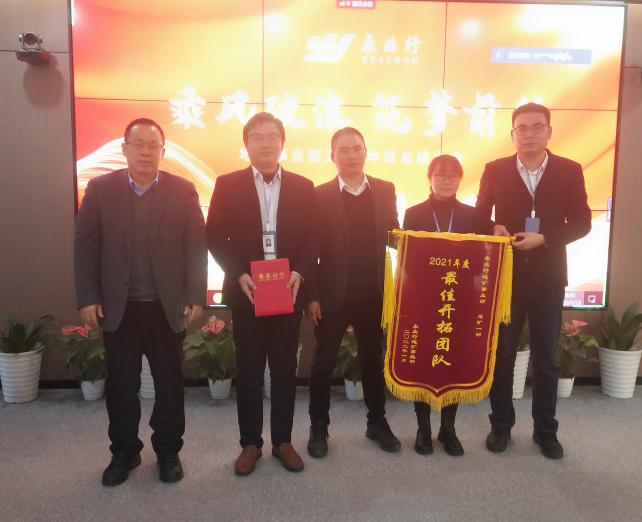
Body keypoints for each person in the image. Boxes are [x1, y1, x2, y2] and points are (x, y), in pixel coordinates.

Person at [74, 118, 207, 486]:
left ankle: (168, 451)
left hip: (166, 307)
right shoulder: (100, 189)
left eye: (153, 146)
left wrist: (196, 294)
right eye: (139, 145)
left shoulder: (183, 190)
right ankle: (125, 451)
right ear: (125, 149)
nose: (146, 152)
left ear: (163, 151)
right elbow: (85, 246)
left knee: (169, 385)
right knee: (121, 385)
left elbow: (196, 245)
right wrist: (88, 296)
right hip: (120, 308)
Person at [476, 103, 591, 459]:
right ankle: (500, 426)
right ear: (512, 134)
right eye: (521, 129)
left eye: (536, 127)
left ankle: (545, 431)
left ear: (549, 132)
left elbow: (583, 221)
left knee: (546, 359)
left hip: (548, 278)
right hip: (506, 278)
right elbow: (478, 215)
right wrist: (492, 227)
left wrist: (546, 238)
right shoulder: (495, 169)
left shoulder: (570, 170)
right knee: (503, 356)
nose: (529, 134)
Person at [206, 112, 316, 476]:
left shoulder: (303, 186)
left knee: (284, 368)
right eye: (257, 137)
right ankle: (250, 443)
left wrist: (299, 271)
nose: (265, 143)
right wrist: (237, 273)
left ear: (283, 143)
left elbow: (313, 237)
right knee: (250, 368)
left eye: (272, 136)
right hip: (248, 291)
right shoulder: (227, 184)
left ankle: (283, 441)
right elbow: (214, 235)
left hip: (287, 290)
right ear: (246, 144)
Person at [306, 127, 401, 458]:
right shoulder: (318, 195)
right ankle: (319, 427)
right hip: (333, 294)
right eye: (344, 150)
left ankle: (377, 421)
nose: (351, 155)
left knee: (372, 359)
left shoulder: (386, 189)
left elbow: (394, 234)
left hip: (373, 292)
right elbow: (310, 249)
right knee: (323, 361)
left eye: (357, 148)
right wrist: (311, 295)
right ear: (332, 156)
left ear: (366, 152)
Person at [403, 154, 493, 456]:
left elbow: (481, 259)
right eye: (440, 175)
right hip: (424, 299)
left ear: (460, 180)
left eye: (452, 176)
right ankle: (423, 428)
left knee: (452, 361)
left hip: (459, 299)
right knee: (423, 363)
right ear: (430, 178)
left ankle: (448, 428)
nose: (445, 181)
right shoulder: (413, 213)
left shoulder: (473, 215)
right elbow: (408, 259)